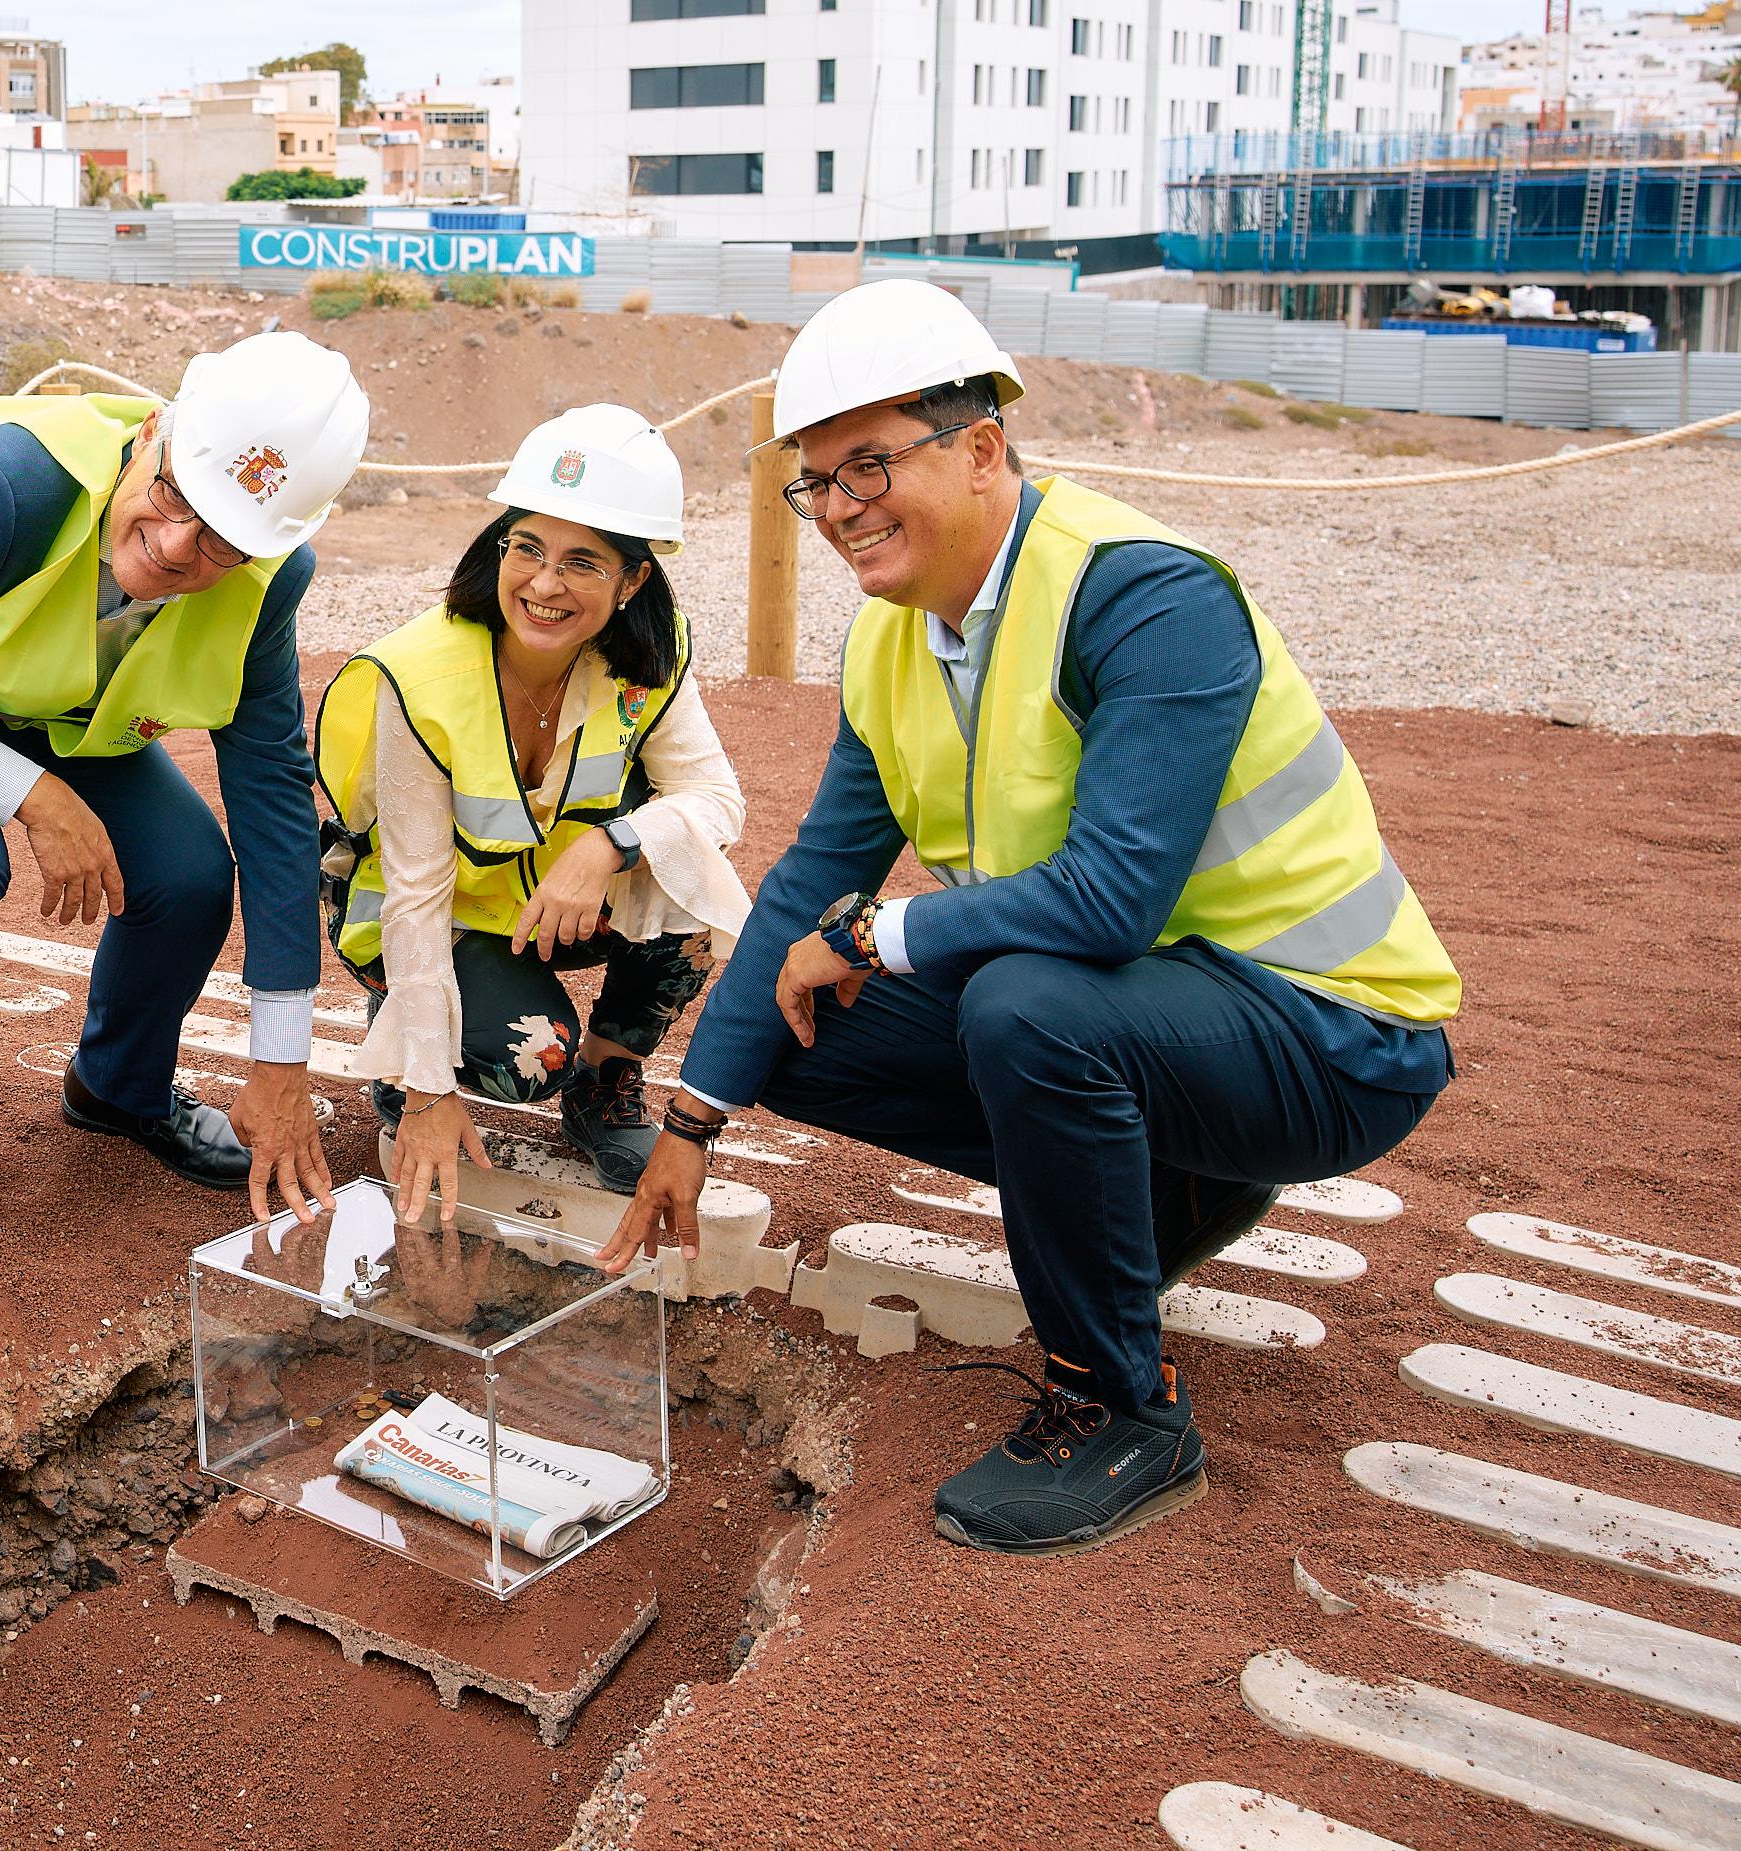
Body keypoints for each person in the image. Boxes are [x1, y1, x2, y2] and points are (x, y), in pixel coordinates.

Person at [603, 279, 1460, 1556]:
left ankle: (1121, 1407)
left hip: (1337, 1039)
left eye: (869, 467)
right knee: (797, 1023)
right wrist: (693, 1120)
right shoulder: (894, 644)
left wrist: (870, 935)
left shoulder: (1146, 596)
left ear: (982, 448)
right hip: (1157, 1019)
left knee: (1022, 1007)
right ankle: (1167, 1192)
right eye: (817, 482)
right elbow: (804, 889)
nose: (840, 509)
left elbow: (1110, 898)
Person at [0, 333, 370, 1276]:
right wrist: (34, 794)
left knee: (190, 874)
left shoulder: (271, 581)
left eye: (224, 540)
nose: (175, 545)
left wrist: (280, 1057)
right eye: (176, 495)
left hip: (43, 692)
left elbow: (271, 798)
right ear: (152, 433)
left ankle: (118, 1089)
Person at [314, 405, 751, 1221]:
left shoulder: (647, 661)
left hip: (539, 899)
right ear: (500, 545)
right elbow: (411, 888)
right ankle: (404, 1034)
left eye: (582, 563)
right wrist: (425, 1087)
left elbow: (716, 801)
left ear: (633, 582)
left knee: (696, 888)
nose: (544, 585)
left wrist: (610, 845)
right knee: (529, 1058)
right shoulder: (422, 678)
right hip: (420, 914)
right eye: (528, 548)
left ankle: (606, 1079)